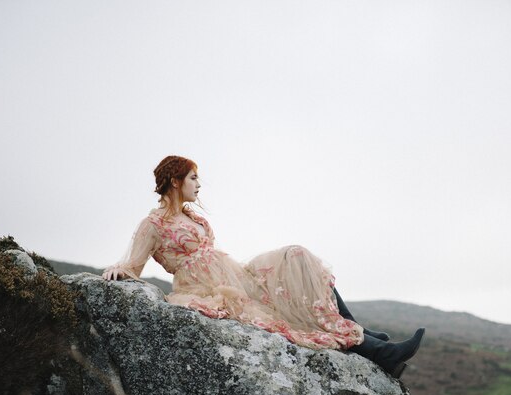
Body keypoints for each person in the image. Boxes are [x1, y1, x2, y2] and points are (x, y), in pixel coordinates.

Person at [102, 155, 424, 378]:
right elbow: (133, 263)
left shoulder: (192, 218)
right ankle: (380, 350)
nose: (199, 183)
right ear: (175, 181)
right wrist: (119, 269)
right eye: (193, 177)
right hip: (209, 288)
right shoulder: (154, 223)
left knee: (297, 257)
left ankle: (361, 333)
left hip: (234, 274)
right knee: (289, 313)